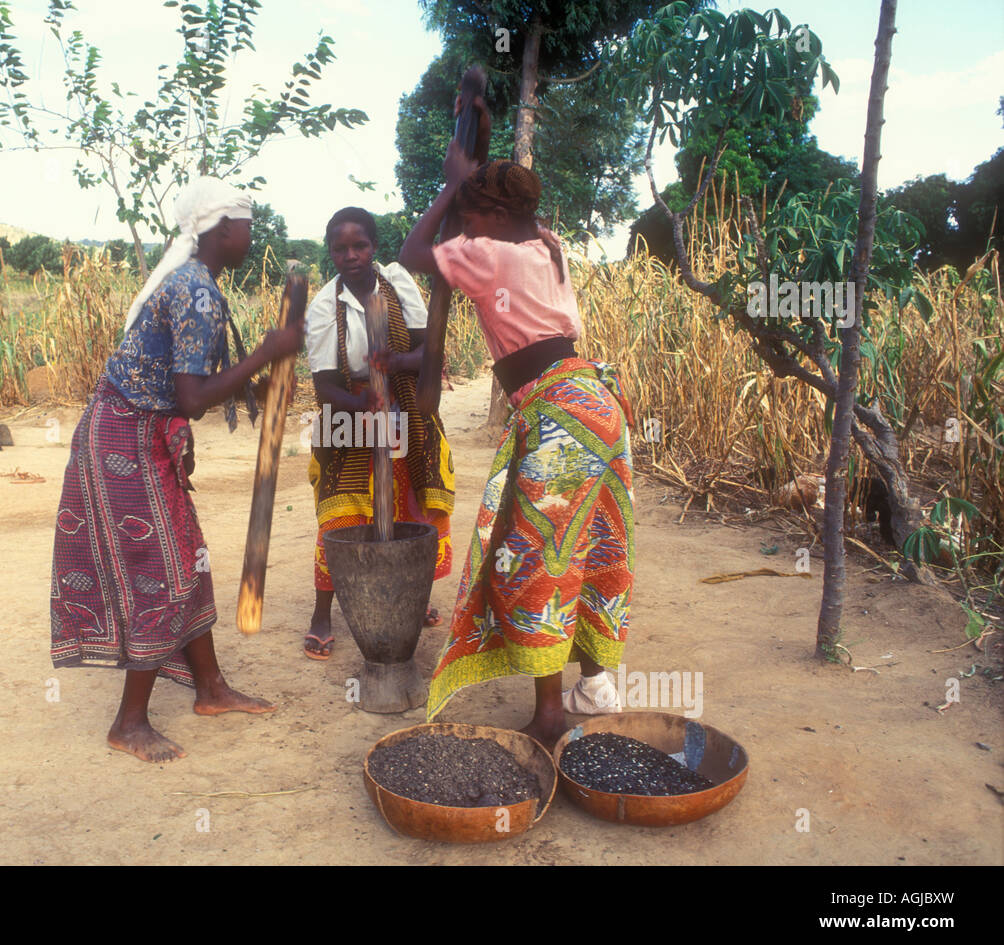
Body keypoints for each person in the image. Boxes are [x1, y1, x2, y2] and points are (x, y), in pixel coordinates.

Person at [399, 99, 636, 751]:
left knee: (539, 556)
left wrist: (451, 182)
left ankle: (552, 714)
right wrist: (467, 179)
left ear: (497, 217)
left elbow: (412, 250)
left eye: (472, 217)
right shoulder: (546, 243)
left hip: (560, 416)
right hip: (595, 405)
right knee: (591, 545)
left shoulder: (494, 256)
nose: (462, 227)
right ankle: (596, 686)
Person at [49, 177, 304, 763]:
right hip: (124, 437)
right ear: (220, 229)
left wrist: (259, 382)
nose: (250, 232)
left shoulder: (198, 284)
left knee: (188, 556)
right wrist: (265, 353)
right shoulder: (195, 291)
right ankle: (129, 723)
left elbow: (188, 389)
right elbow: (191, 399)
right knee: (160, 569)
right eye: (245, 222)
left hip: (142, 433)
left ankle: (211, 689)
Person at [302, 206, 455, 660]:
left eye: (360, 245)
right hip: (350, 413)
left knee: (411, 506)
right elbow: (324, 386)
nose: (350, 255)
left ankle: (413, 593)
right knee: (342, 513)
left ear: (373, 247)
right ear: (330, 252)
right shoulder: (324, 307)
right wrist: (365, 403)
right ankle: (322, 613)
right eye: (340, 248)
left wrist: (396, 364)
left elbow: (430, 348)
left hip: (406, 405)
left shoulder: (397, 284)